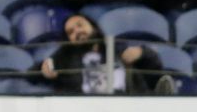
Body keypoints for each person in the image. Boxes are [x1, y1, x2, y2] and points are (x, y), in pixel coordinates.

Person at [40, 14, 174, 94]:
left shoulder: (116, 47)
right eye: (71, 32)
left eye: (80, 25)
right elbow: (36, 75)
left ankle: (159, 100)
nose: (77, 31)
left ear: (93, 26)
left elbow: (156, 67)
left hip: (129, 105)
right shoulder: (65, 57)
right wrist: (44, 70)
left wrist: (142, 53)